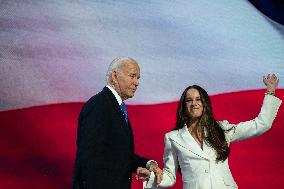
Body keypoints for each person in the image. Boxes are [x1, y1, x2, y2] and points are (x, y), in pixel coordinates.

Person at [144, 74, 281, 189]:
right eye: (189, 100)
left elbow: (260, 125)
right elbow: (170, 176)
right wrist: (152, 176)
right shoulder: (173, 138)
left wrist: (270, 92)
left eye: (198, 99)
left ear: (205, 104)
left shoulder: (222, 129)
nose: (194, 103)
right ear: (184, 106)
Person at [71, 57, 162, 189]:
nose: (136, 83)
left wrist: (146, 164)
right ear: (114, 75)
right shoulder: (99, 105)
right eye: (132, 76)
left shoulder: (116, 107)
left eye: (138, 78)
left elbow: (120, 154)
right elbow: (89, 159)